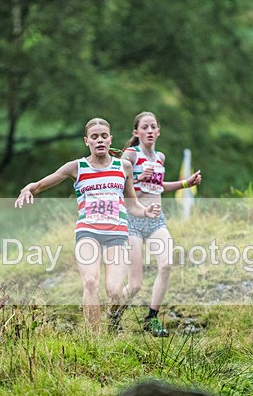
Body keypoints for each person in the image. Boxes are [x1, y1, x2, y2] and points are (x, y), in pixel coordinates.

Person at [15, 117, 161, 333]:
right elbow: (39, 185)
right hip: (88, 233)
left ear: (110, 139)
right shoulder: (77, 167)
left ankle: (113, 316)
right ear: (87, 141)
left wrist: (146, 211)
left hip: (117, 235)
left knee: (115, 292)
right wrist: (27, 190)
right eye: (95, 137)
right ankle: (95, 339)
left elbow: (133, 206)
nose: (100, 140)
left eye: (104, 136)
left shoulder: (124, 166)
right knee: (91, 283)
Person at [119, 111, 201, 337]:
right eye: (144, 127)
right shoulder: (130, 156)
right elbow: (119, 188)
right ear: (136, 132)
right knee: (135, 285)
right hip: (133, 220)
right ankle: (114, 314)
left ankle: (151, 318)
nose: (149, 131)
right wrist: (138, 179)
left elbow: (159, 186)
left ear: (158, 131)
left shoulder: (160, 158)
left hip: (156, 220)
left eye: (153, 127)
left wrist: (186, 183)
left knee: (166, 265)